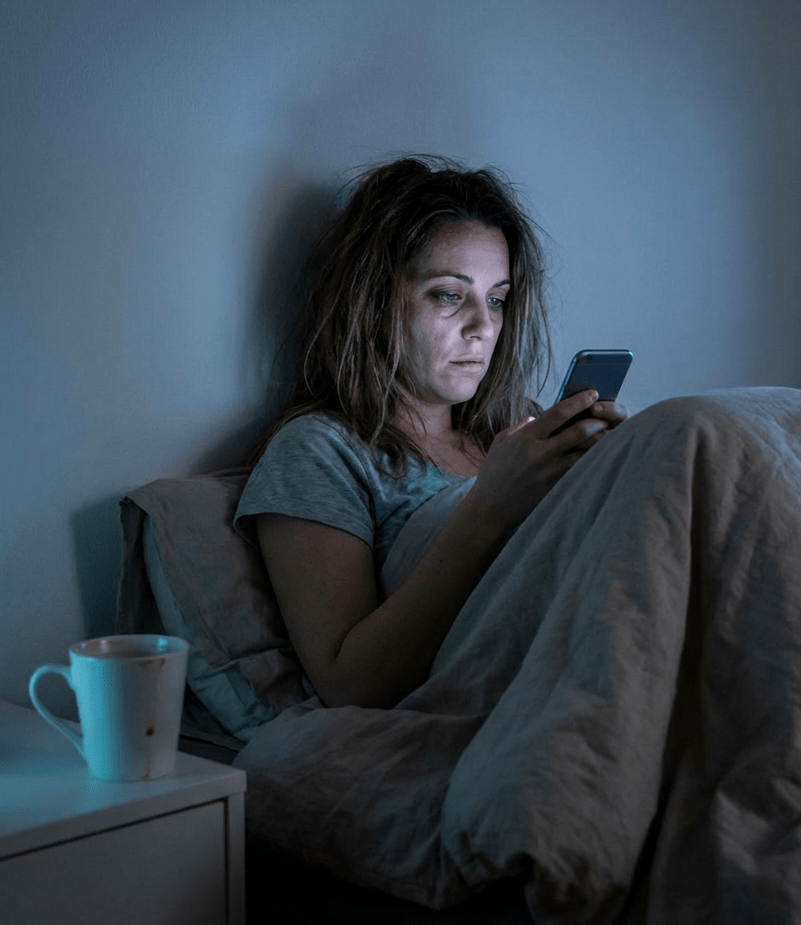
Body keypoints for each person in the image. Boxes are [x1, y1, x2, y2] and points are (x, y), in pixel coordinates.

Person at [235, 156, 628, 712]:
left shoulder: (516, 431)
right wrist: (490, 508)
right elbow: (349, 684)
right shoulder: (319, 451)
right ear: (375, 303)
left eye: (497, 299)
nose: (484, 326)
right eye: (448, 295)